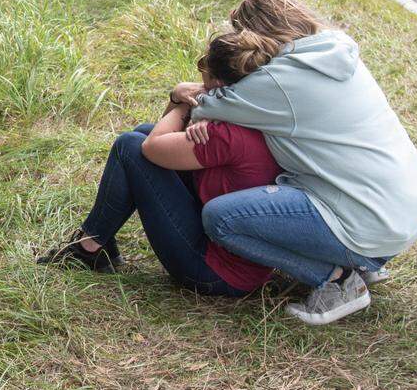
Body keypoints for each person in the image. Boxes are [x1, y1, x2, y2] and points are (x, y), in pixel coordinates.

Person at [170, 0, 417, 325]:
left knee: (221, 218)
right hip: (405, 211)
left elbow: (202, 101)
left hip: (370, 223)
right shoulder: (332, 51)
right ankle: (364, 262)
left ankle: (337, 280)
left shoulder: (278, 80)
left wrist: (180, 93)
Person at [37, 31, 283, 297]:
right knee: (143, 131)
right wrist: (200, 107)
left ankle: (89, 247)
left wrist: (183, 102)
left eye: (203, 69)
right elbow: (158, 137)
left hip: (215, 273)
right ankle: (97, 243)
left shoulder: (224, 134)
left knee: (129, 147)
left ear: (217, 82)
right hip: (234, 253)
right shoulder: (255, 114)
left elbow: (152, 148)